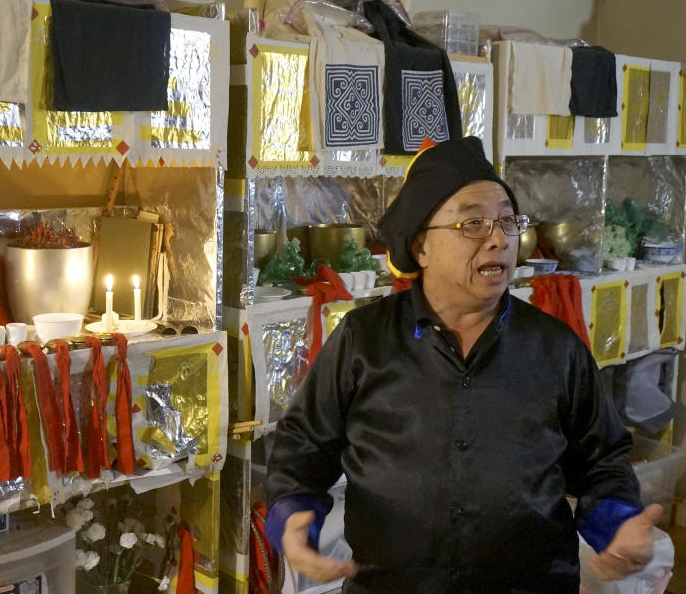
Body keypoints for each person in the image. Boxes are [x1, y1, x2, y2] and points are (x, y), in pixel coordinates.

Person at [263, 136, 662, 593]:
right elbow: (303, 446)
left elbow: (601, 458)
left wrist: (618, 524)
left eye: (507, 222)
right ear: (421, 247)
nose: (498, 239)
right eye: (473, 223)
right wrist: (292, 517)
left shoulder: (555, 348)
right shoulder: (363, 340)